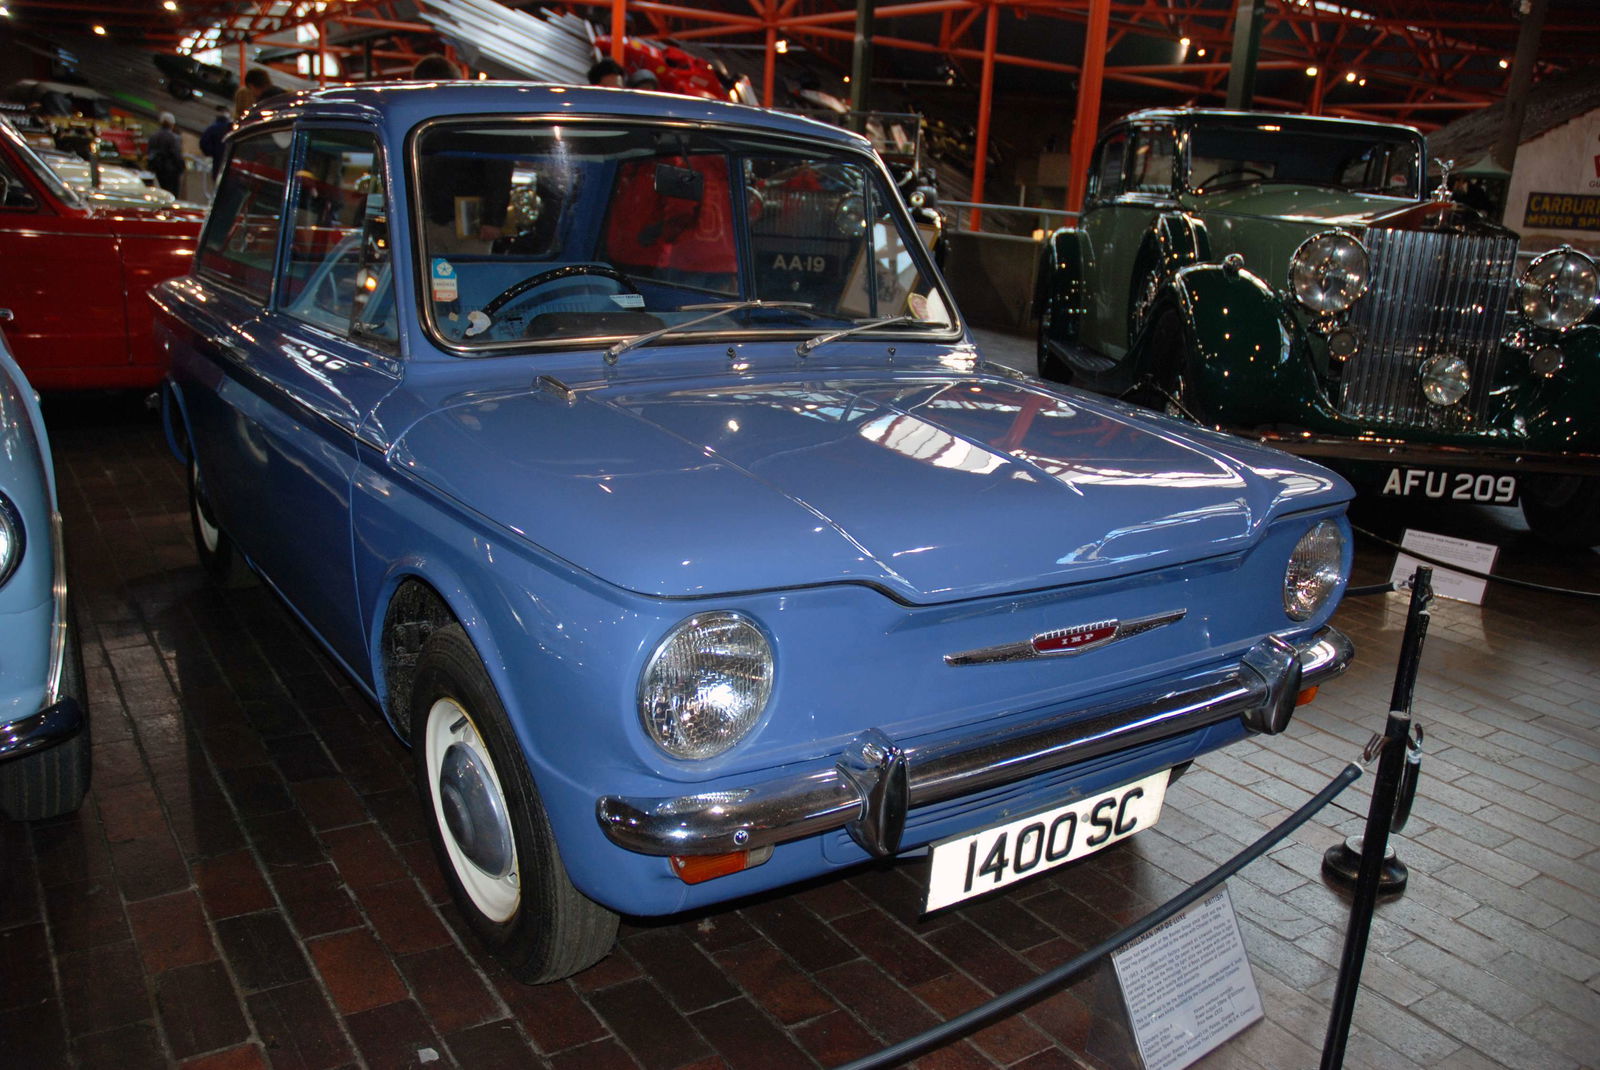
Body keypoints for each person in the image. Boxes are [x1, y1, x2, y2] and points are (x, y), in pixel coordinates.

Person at [146, 111, 184, 197]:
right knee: (172, 194)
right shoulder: (174, 138)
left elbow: (149, 152)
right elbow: (176, 155)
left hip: (157, 170)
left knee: (160, 193)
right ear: (172, 124)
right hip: (171, 172)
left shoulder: (153, 136)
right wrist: (181, 167)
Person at [197, 106, 230, 177]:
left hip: (217, 162)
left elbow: (203, 143)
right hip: (230, 162)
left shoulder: (213, 128)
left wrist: (213, 153)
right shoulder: (231, 128)